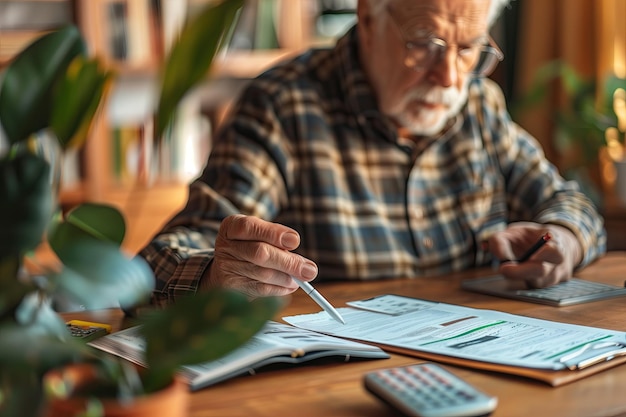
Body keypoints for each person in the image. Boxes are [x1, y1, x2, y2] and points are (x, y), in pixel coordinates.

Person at [139, 0, 606, 307]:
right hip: (339, 384)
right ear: (366, 17)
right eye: (425, 44)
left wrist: (561, 237)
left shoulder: (479, 104)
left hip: (483, 360)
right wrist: (215, 276)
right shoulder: (284, 106)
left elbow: (572, 202)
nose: (449, 78)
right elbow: (152, 265)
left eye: (469, 49)